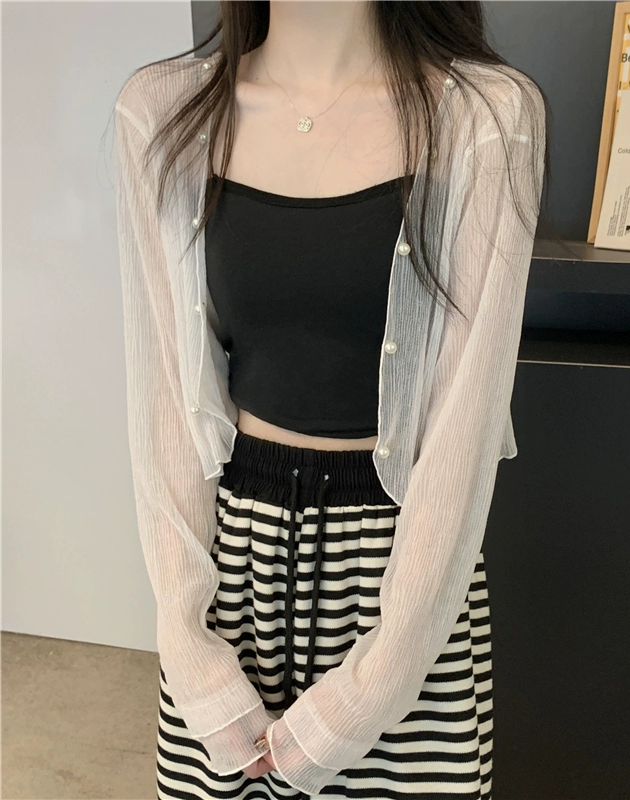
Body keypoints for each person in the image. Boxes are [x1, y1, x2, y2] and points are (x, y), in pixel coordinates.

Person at [112, 1, 547, 798]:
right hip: (231, 571)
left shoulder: (485, 119)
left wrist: (376, 684)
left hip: (401, 582)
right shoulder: (162, 112)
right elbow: (165, 402)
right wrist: (191, 648)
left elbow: (465, 427)